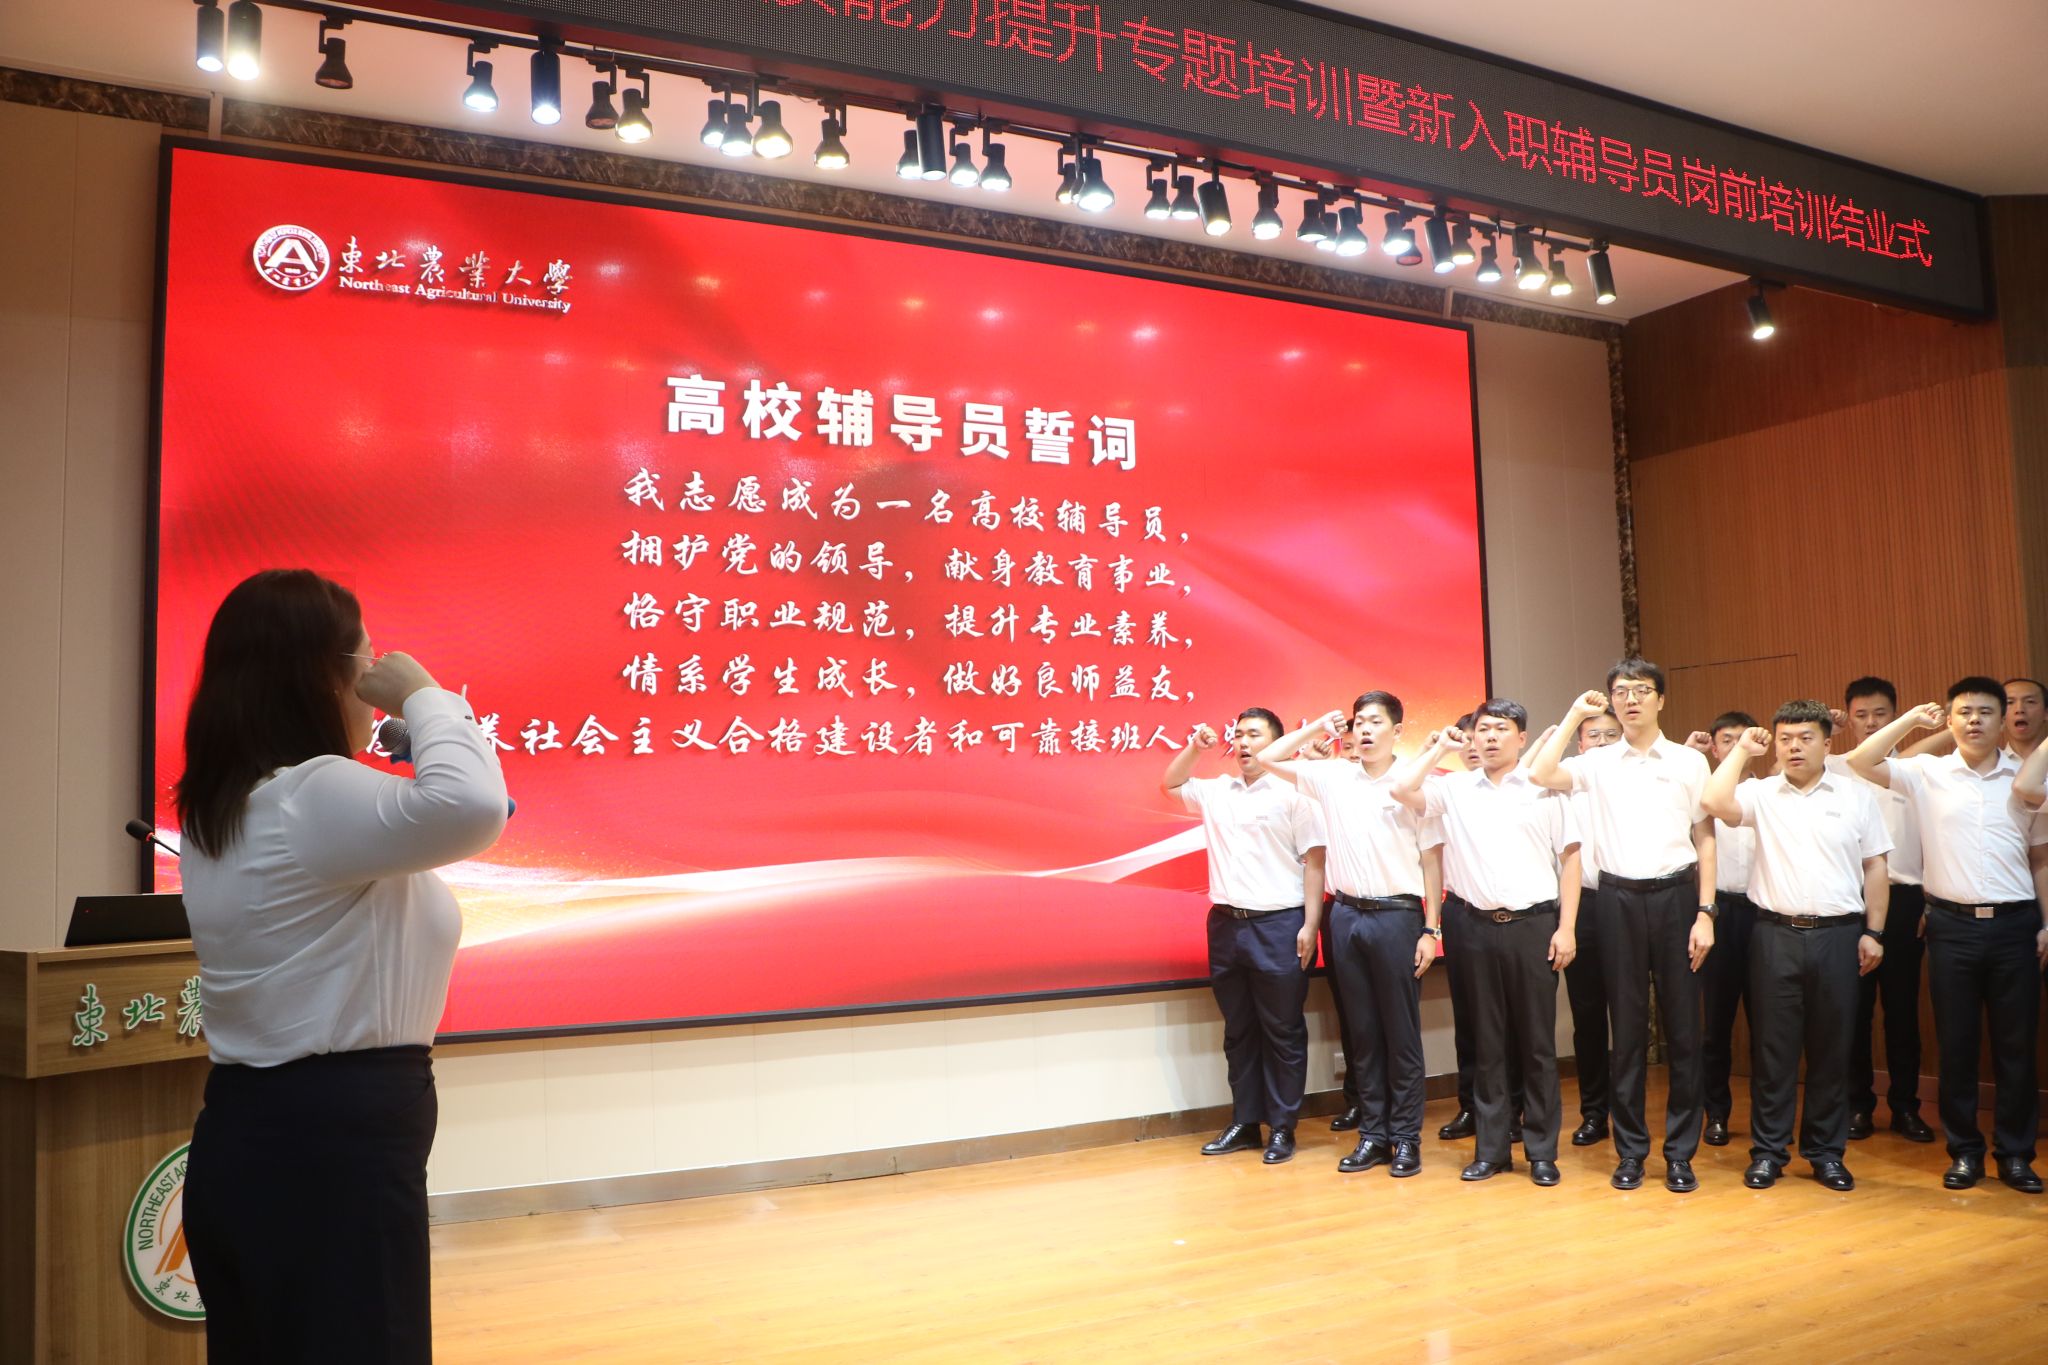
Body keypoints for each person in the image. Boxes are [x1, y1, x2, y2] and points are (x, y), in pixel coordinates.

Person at [177, 569, 509, 1363]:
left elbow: (479, 800)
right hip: (335, 1147)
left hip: (255, 1127)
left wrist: (426, 737)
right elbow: (474, 807)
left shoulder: (236, 800)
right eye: (364, 661)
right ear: (321, 675)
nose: (372, 682)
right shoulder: (313, 794)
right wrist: (424, 695)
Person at [1846, 679, 2046, 1193]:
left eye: (1986, 711)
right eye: (1965, 712)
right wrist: (1912, 720)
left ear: (2002, 721)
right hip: (1950, 927)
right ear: (1951, 721)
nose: (1975, 720)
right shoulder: (1926, 773)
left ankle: (2016, 1155)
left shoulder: (2026, 778)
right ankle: (1965, 1153)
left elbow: (2040, 858)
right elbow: (1862, 760)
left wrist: (2047, 923)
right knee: (1956, 1046)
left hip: (2016, 926)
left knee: (2016, 1048)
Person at [1529, 659, 1716, 1193]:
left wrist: (1706, 912)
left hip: (1677, 897)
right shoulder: (1597, 762)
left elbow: (1705, 839)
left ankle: (1680, 1154)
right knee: (1627, 1033)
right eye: (1620, 692)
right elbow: (1541, 773)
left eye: (1641, 690)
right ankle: (1630, 1152)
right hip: (1616, 900)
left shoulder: (1688, 761)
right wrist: (1573, 715)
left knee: (1684, 1032)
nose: (1630, 699)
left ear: (1661, 699)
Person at [1703, 704, 1890, 1191]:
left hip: (1839, 935)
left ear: (1827, 743)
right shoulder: (1761, 793)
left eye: (1805, 738)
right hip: (1774, 935)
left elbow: (1875, 866)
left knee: (1832, 1048)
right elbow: (1713, 800)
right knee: (1774, 1049)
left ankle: (1826, 1153)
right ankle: (1768, 1152)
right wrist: (1743, 750)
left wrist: (1874, 932)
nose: (1794, 747)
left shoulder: (1855, 795)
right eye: (1785, 738)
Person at [1391, 701, 1580, 1186]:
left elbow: (1571, 860)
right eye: (1483, 730)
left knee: (1537, 1044)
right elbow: (1401, 789)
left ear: (1522, 738)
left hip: (1533, 926)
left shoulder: (1544, 788)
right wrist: (1439, 749)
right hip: (1472, 926)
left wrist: (1567, 928)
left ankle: (1541, 1152)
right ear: (1471, 738)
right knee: (1486, 1043)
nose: (1490, 737)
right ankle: (1491, 1150)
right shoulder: (1454, 789)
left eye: (1501, 729)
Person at [1260, 693, 1444, 1177]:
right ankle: (1373, 1136)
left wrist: (1431, 928)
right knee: (1362, 1034)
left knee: (1400, 1034)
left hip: (1398, 916)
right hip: (1345, 915)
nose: (1363, 730)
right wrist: (1317, 725)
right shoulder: (1333, 777)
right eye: (1358, 722)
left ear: (1397, 731)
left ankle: (1406, 1139)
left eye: (1375, 722)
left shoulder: (1413, 784)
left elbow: (1432, 862)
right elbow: (1268, 757)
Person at [1164, 710, 1328, 1165]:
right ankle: (1245, 1122)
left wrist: (1310, 925)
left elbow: (1315, 863)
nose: (1243, 743)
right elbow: (1171, 784)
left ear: (1276, 744)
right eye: (1238, 735)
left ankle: (1282, 1127)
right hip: (1226, 924)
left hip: (1280, 925)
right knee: (1238, 1030)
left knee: (1282, 1030)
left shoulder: (1296, 795)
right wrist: (1195, 748)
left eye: (1254, 735)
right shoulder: (1218, 790)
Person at [1829, 677, 1935, 1143]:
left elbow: (1936, 840)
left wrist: (1930, 900)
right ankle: (1857, 1105)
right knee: (1853, 1012)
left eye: (1880, 714)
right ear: (1848, 718)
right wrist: (1826, 729)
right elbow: (1777, 769)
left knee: (1902, 1011)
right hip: (1849, 902)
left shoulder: (1916, 772)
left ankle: (1906, 1107)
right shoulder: (1833, 768)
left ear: (1895, 716)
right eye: (1861, 715)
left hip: (1906, 901)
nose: (1871, 722)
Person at [1438, 714, 1526, 1144]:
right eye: (1471, 738)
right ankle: (1471, 1106)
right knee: (1470, 1017)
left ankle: (1513, 1108)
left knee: (1511, 1019)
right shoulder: (1450, 792)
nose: (1479, 744)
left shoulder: (1521, 790)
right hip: (1461, 912)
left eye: (1489, 734)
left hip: (1513, 915)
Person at [1686, 713, 1759, 1149]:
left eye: (1742, 739)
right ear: (1714, 748)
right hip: (1717, 914)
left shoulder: (1771, 792)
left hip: (1765, 915)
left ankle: (1769, 1121)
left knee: (1768, 1026)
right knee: (1715, 1024)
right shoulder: (1700, 795)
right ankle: (1716, 1113)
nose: (1734, 747)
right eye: (1726, 740)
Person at [1565, 706, 1620, 1147]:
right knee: (1587, 1017)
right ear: (1579, 744)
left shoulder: (1634, 780)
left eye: (1610, 735)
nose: (1601, 742)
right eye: (1593, 735)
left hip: (1628, 903)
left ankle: (1631, 1115)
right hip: (1581, 906)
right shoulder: (1565, 782)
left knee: (1629, 1014)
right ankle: (1594, 1113)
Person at [2007, 677, 2046, 761]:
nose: (2019, 709)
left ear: (2046, 713)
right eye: (2009, 702)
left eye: (2030, 701)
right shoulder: (1989, 765)